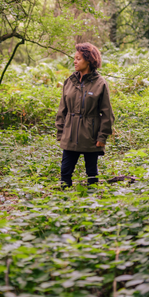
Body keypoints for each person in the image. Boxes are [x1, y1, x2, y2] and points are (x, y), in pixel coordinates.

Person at [55, 42, 114, 188]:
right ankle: (63, 203)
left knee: (92, 174)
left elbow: (107, 113)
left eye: (78, 58)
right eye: (74, 58)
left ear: (89, 60)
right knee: (65, 173)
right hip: (70, 134)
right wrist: (61, 132)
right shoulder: (69, 82)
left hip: (91, 136)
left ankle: (91, 203)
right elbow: (62, 110)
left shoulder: (100, 83)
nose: (74, 61)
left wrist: (102, 137)